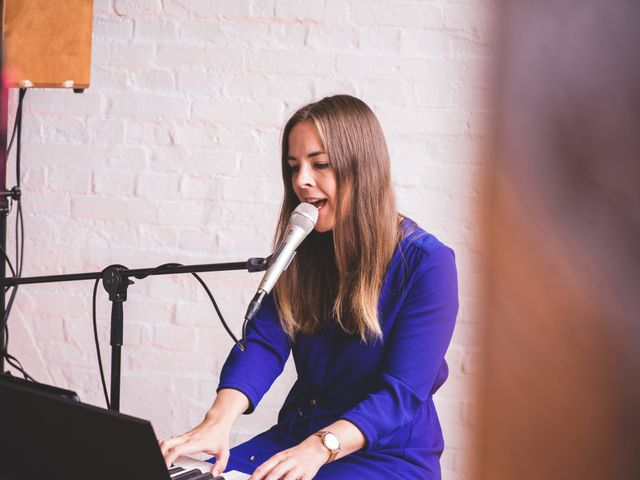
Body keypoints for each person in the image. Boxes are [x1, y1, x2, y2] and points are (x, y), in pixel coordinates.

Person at [160, 95, 458, 480]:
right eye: (293, 166)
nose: (301, 180)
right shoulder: (301, 248)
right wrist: (216, 422)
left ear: (362, 169)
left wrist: (321, 447)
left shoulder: (428, 263)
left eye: (319, 165)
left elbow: (399, 395)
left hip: (385, 456)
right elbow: (265, 343)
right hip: (297, 438)